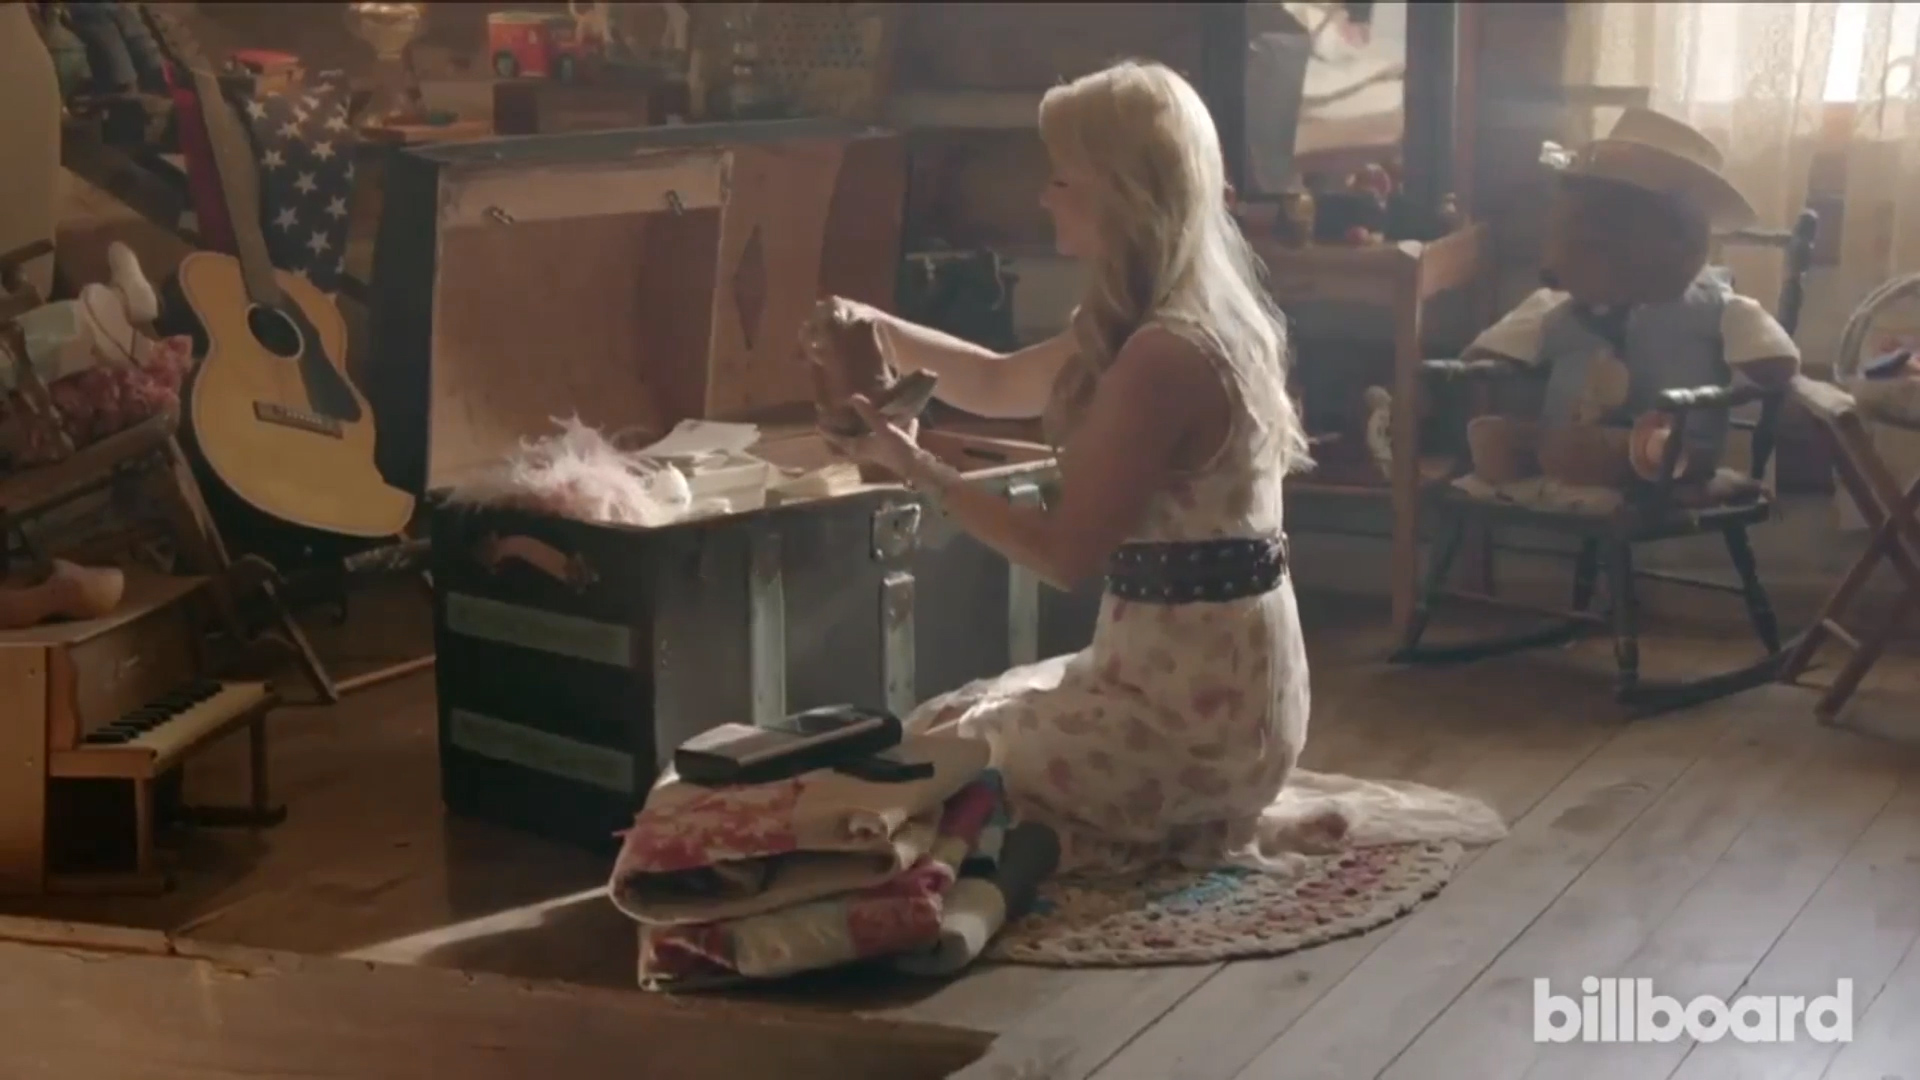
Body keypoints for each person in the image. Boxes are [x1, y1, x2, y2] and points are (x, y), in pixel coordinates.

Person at [808, 60, 1502, 876]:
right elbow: (997, 383)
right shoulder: (1175, 321)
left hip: (1194, 727)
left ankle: (1158, 822)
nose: (1043, 196)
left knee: (945, 761)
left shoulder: (1164, 356)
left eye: (1061, 178)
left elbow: (1064, 555)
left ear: (1119, 195)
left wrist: (913, 465)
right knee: (954, 718)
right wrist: (874, 327)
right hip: (1209, 694)